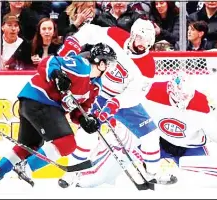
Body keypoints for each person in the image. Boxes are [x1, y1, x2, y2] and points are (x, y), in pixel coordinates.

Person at [12, 18, 175, 188]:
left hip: (122, 101)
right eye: (141, 39)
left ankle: (152, 173)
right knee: (86, 135)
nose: (143, 44)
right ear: (133, 34)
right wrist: (73, 44)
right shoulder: (115, 35)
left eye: (148, 41)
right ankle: (72, 173)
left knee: (150, 134)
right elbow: (90, 30)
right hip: (99, 94)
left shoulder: (148, 66)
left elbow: (135, 93)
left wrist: (115, 104)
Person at [59, 72, 217, 188]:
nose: (181, 102)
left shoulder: (201, 105)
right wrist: (109, 109)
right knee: (125, 150)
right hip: (160, 143)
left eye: (185, 98)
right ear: (170, 89)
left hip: (190, 147)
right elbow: (126, 98)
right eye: (178, 97)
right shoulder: (152, 91)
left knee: (197, 183)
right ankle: (85, 176)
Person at [0, 43, 117, 191]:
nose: (111, 68)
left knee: (28, 147)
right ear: (101, 62)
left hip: (33, 103)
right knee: (67, 143)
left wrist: (84, 120)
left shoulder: (96, 86)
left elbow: (80, 109)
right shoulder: (82, 65)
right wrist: (56, 74)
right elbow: (49, 62)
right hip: (41, 100)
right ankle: (26, 168)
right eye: (109, 63)